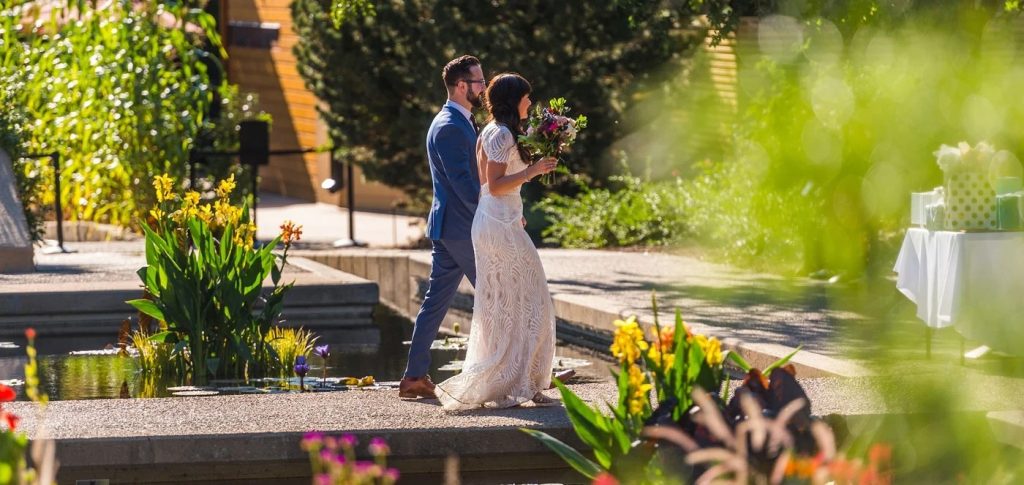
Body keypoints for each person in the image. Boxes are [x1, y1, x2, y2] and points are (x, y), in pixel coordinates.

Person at [434, 73, 562, 410]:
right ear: (513, 99)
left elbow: (495, 187)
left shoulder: (496, 131)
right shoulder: (501, 133)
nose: (530, 103)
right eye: (526, 97)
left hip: (499, 220)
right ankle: (515, 381)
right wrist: (532, 172)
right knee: (529, 301)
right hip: (496, 225)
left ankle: (522, 382)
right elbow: (493, 184)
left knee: (513, 303)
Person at [398, 55, 487, 399]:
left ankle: (414, 377)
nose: (484, 87)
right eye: (479, 82)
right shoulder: (450, 125)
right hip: (462, 228)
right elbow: (462, 182)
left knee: (435, 303)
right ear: (462, 86)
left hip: (449, 227)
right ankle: (519, 372)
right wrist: (490, 211)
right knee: (498, 294)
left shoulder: (457, 120)